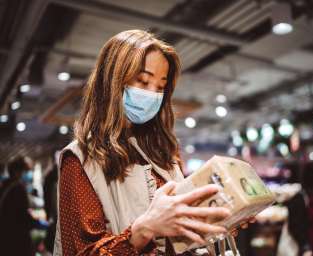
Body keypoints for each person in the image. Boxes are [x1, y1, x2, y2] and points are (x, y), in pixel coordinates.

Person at [53, 30, 234, 256]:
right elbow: (81, 252)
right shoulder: (81, 160)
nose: (153, 95)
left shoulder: (164, 155)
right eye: (143, 81)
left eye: (160, 87)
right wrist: (144, 229)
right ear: (112, 80)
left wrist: (214, 220)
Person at [0, 156, 35, 256]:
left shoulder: (4, 186)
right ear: (17, 171)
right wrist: (36, 222)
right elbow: (23, 217)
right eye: (26, 171)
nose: (28, 174)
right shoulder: (18, 189)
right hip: (18, 241)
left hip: (5, 239)